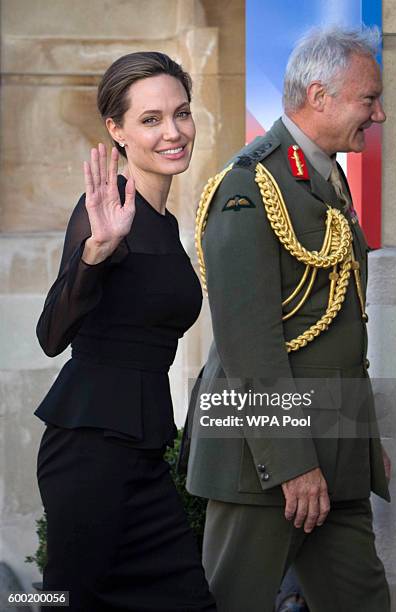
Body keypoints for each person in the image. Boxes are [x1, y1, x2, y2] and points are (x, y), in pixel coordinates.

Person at [185, 27, 391, 612]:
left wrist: (361, 442)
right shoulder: (248, 187)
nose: (379, 113)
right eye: (367, 99)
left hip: (335, 446)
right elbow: (251, 346)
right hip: (268, 461)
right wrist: (294, 463)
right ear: (320, 95)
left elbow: (341, 335)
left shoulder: (320, 175)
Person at [35, 51, 216, 611]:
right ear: (116, 130)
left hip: (142, 455)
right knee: (66, 601)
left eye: (180, 113)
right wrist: (94, 254)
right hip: (90, 450)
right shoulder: (105, 210)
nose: (173, 131)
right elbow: (51, 334)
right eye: (150, 119)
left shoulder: (165, 222)